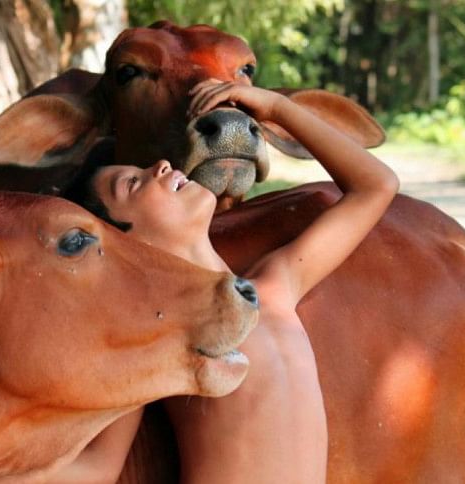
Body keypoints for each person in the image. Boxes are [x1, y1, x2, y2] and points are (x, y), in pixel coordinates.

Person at [51, 80, 400, 483]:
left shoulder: (276, 286)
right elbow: (98, 468)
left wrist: (276, 109)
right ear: (124, 241)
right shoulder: (157, 330)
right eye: (133, 183)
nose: (160, 165)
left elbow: (377, 186)